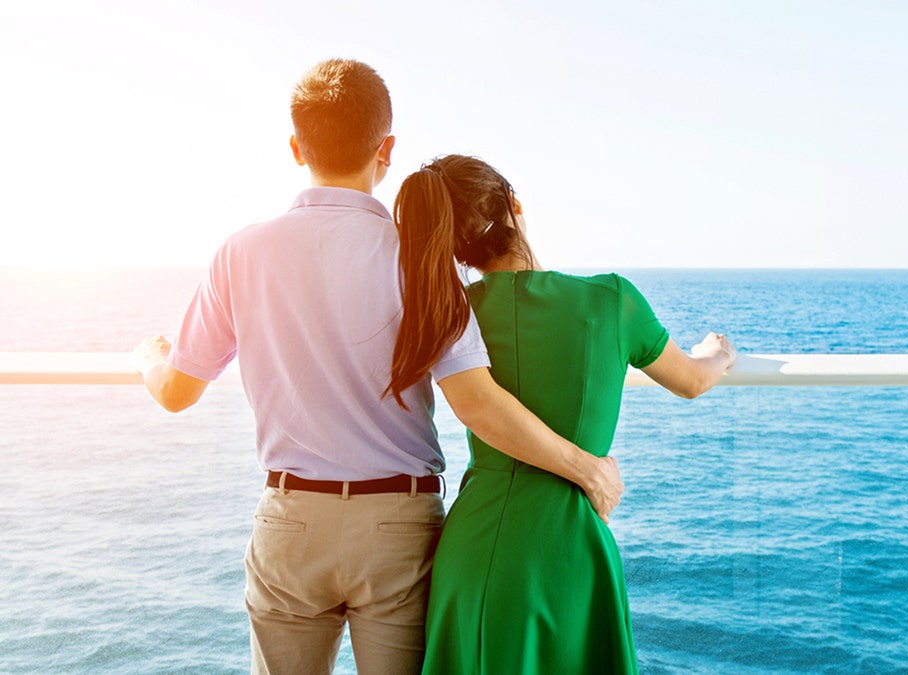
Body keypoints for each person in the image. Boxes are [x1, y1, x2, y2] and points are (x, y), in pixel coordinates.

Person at [130, 60, 623, 675]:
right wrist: (587, 469)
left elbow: (177, 392)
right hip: (398, 523)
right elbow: (476, 403)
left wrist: (151, 359)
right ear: (386, 149)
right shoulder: (419, 259)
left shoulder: (241, 252)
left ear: (295, 147)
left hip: (292, 519)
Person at [391, 154, 737, 674]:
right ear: (515, 206)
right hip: (566, 549)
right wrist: (719, 353)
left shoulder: (451, 312)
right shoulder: (611, 301)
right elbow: (691, 381)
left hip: (472, 550)